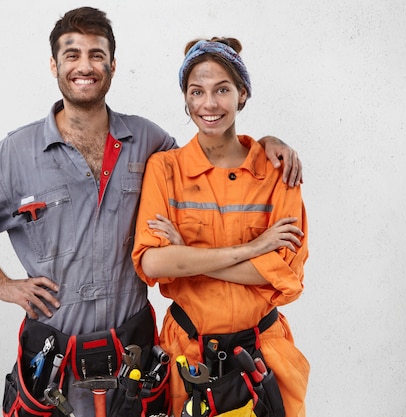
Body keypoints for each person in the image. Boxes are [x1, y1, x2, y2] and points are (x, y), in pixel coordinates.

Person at [0, 7, 302, 417]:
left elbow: (211, 147)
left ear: (112, 66)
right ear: (53, 65)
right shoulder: (16, 153)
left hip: (134, 355)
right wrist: (2, 285)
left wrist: (267, 143)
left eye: (97, 55)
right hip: (55, 358)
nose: (84, 66)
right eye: (72, 54)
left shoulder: (147, 141)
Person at [132, 37, 310, 417]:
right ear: (186, 99)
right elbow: (152, 264)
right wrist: (252, 249)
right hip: (189, 356)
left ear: (242, 95)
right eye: (197, 92)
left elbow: (287, 274)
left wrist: (187, 257)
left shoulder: (278, 170)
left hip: (263, 354)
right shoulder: (166, 170)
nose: (209, 104)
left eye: (222, 90)